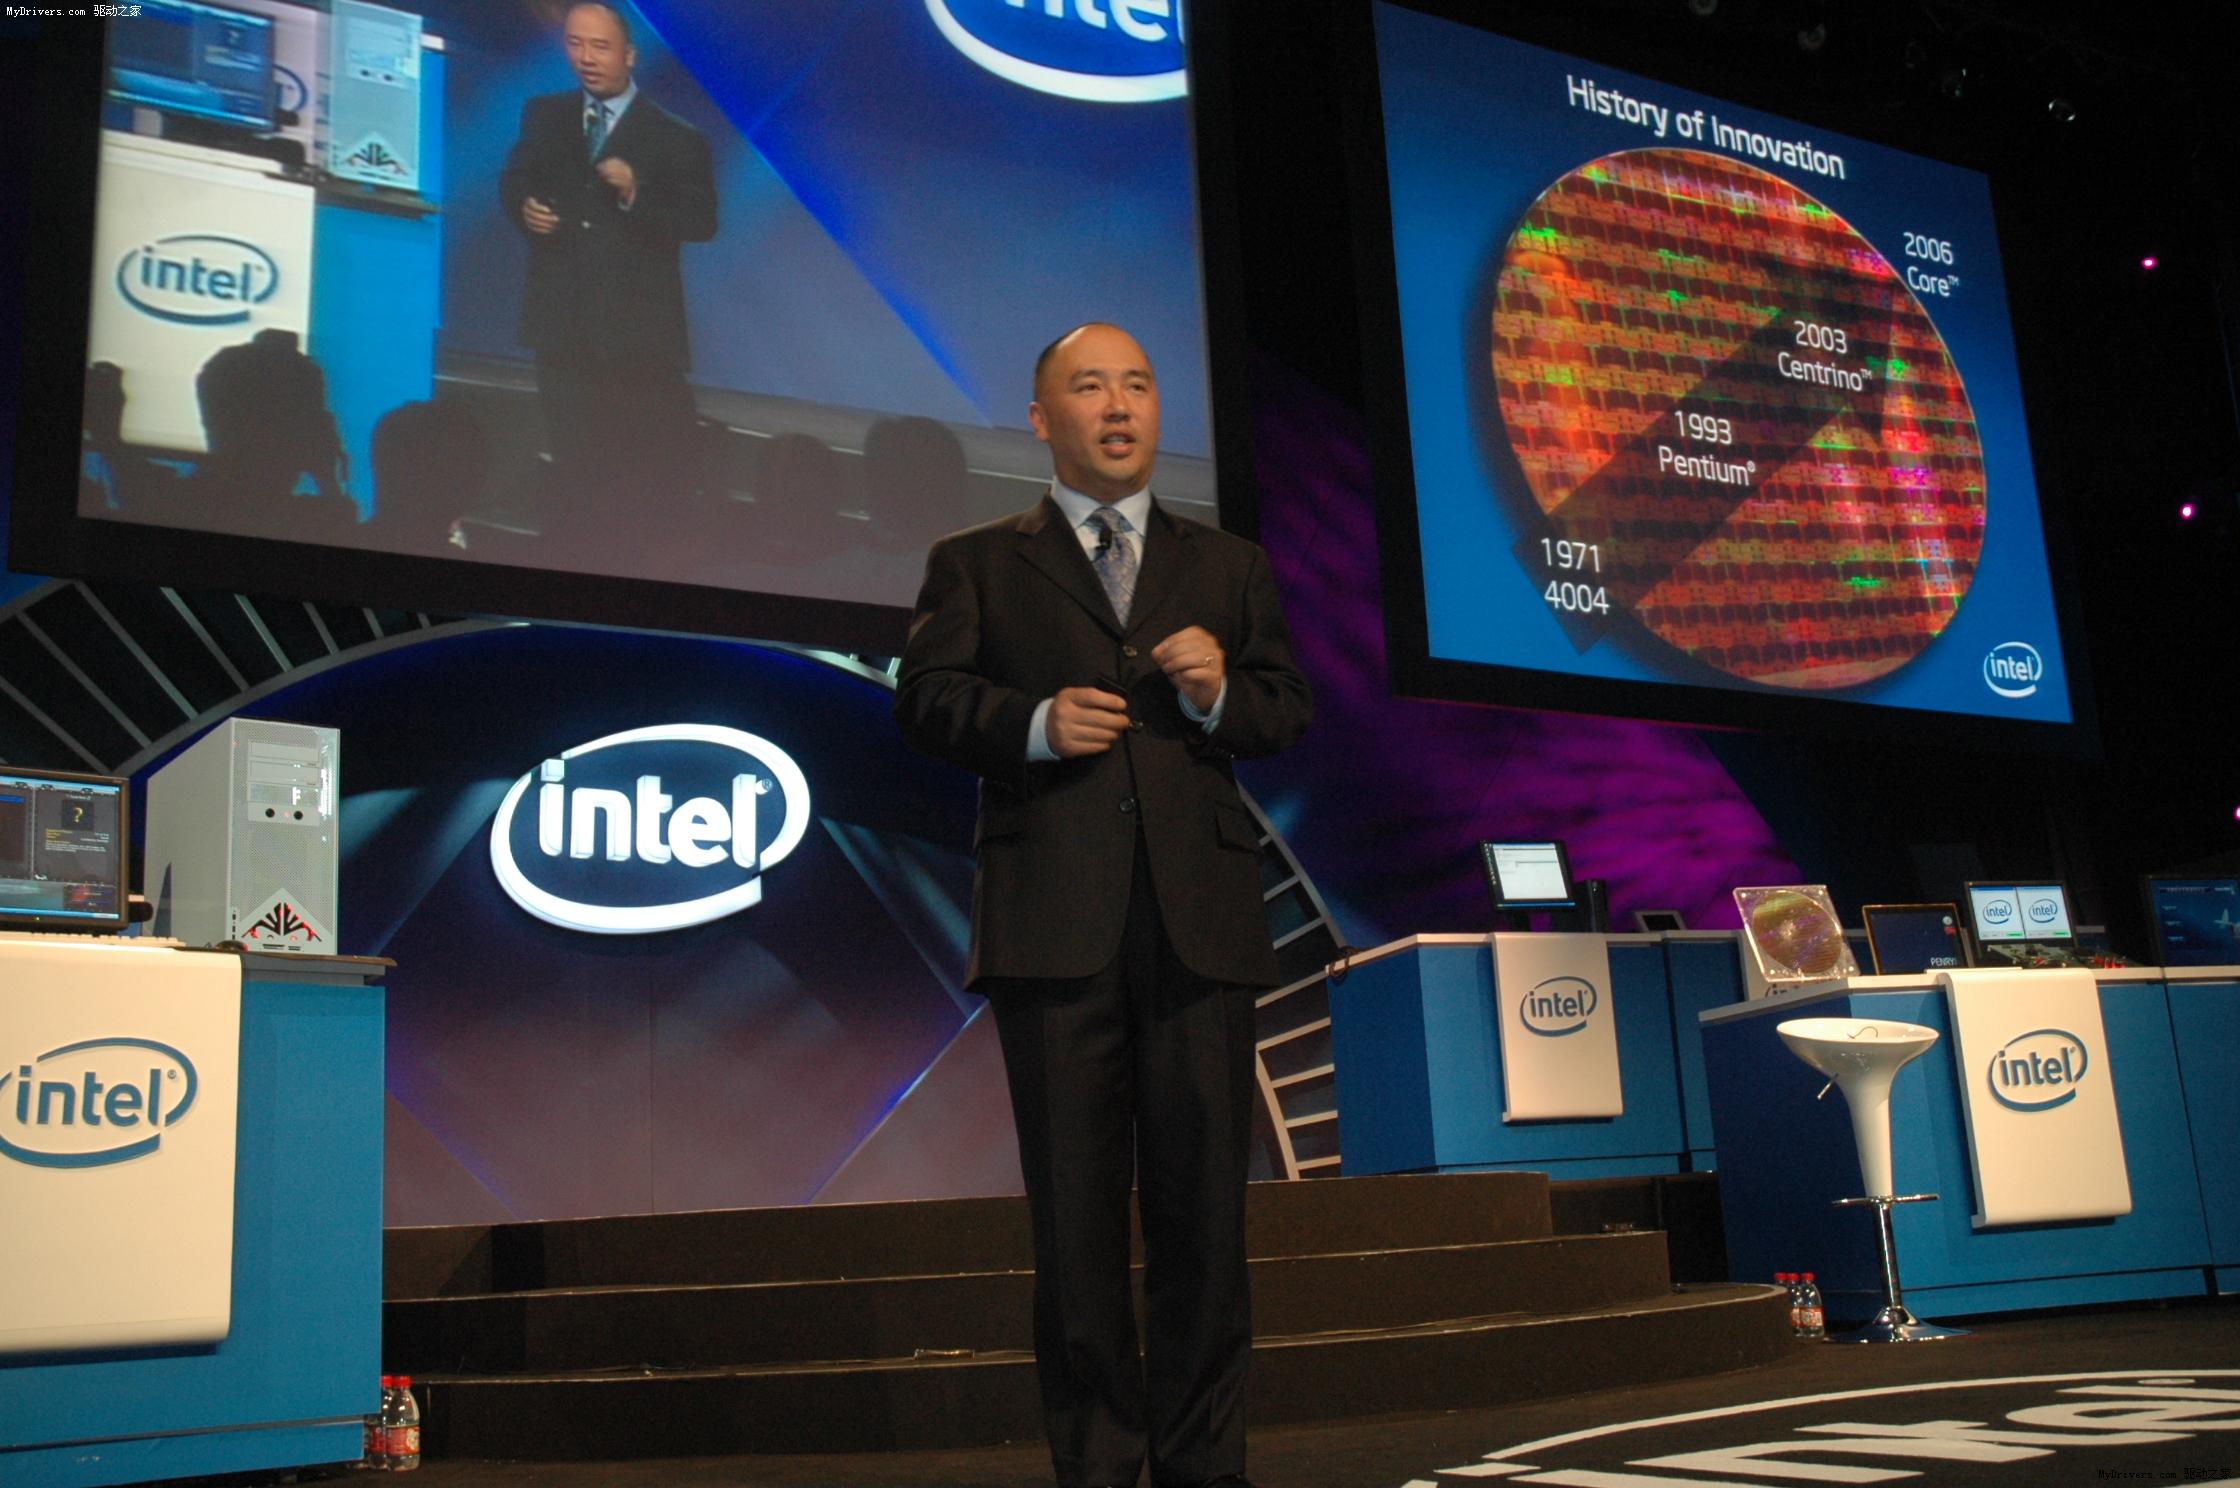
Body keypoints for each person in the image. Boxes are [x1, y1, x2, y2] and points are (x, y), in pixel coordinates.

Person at [895, 323, 1311, 1488]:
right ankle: (1095, 1467)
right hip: (1052, 925)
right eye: (1089, 387)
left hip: (1197, 927)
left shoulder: (1226, 565)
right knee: (1074, 1230)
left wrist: (1219, 692)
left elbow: (1283, 709)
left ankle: (1202, 1467)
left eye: (1136, 385)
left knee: (1204, 1225)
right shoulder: (977, 560)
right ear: (1042, 419)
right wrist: (1030, 725)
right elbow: (924, 700)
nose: (1118, 406)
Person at [497, 0, 716, 535]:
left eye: (600, 46)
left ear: (630, 55)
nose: (586, 58)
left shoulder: (676, 137)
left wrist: (636, 191)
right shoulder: (544, 114)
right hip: (561, 331)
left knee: (628, 482)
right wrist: (526, 209)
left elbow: (701, 221)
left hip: (635, 343)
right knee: (572, 472)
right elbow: (515, 179)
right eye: (575, 44)